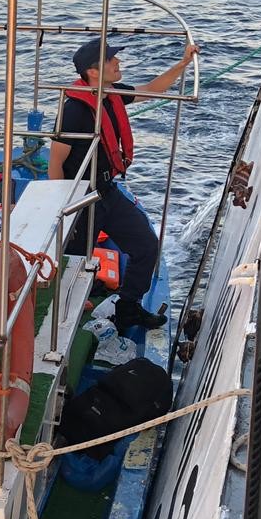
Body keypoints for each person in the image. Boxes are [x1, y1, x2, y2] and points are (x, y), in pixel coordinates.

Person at [48, 35, 199, 329]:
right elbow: (55, 161)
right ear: (93, 71)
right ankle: (62, 321)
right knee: (72, 265)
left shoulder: (110, 93)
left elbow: (152, 91)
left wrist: (183, 63)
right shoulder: (74, 112)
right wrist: (63, 206)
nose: (118, 62)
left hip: (107, 192)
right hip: (80, 198)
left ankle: (128, 306)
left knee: (146, 246)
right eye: (111, 59)